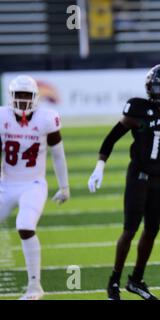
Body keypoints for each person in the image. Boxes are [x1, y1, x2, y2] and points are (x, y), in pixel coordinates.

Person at [87, 65, 160, 300]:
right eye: (158, 87)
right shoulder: (138, 109)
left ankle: (136, 280)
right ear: (149, 88)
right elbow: (112, 137)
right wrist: (100, 165)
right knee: (130, 231)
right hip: (138, 179)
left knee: (152, 231)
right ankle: (114, 281)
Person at [0, 75, 70, 300]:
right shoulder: (2, 117)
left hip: (33, 184)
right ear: (10, 97)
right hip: (6, 183)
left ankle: (34, 286)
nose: (22, 100)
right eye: (18, 95)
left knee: (25, 225)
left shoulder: (46, 119)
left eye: (26, 95)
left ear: (35, 97)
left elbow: (58, 155)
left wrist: (64, 186)